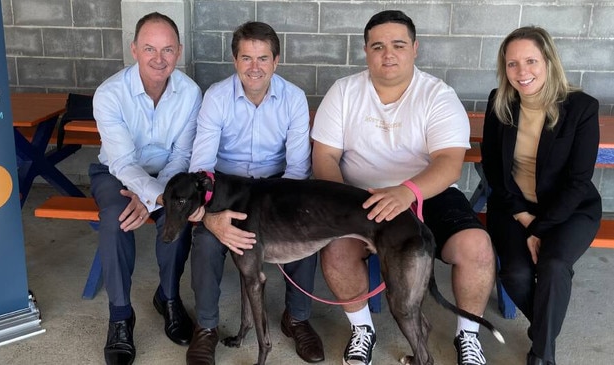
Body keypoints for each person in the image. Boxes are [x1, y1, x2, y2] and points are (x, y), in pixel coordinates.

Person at [310, 10, 496, 365]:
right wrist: (346, 206)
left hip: (427, 194)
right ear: (365, 50)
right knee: (336, 250)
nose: (388, 54)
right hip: (358, 198)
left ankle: (468, 335)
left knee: (477, 246)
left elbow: (448, 162)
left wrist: (406, 191)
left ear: (415, 48)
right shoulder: (344, 91)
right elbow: (325, 158)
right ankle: (362, 328)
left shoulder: (437, 95)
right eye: (377, 46)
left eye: (398, 44)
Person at [185, 21, 324, 365]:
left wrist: (285, 215)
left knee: (305, 233)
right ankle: (206, 327)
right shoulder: (217, 97)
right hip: (227, 185)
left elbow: (296, 167)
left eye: (263, 58)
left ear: (276, 61)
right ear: (235, 61)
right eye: (246, 58)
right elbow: (202, 166)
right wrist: (212, 215)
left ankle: (297, 318)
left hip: (277, 186)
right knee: (205, 240)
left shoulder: (292, 98)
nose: (255, 67)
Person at [481, 26, 601, 365]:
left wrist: (539, 230)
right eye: (512, 64)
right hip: (513, 206)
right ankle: (544, 327)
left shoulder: (581, 108)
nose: (522, 72)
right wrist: (523, 216)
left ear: (549, 60)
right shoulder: (499, 103)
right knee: (515, 274)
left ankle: (542, 353)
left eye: (531, 61)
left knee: (554, 264)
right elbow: (493, 168)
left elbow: (579, 182)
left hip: (571, 208)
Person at [89, 12, 202, 365]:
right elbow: (121, 162)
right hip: (114, 173)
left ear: (179, 52)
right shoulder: (110, 94)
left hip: (169, 176)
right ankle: (121, 315)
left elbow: (182, 155)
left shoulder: (190, 92)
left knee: (178, 212)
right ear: (134, 49)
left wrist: (159, 195)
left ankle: (168, 297)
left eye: (168, 49)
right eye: (150, 48)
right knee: (114, 216)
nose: (159, 58)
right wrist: (149, 195)